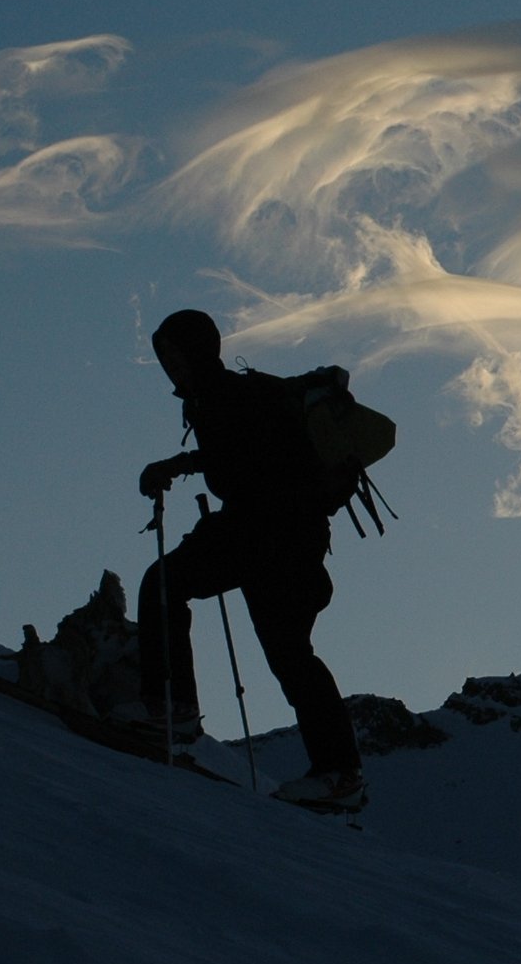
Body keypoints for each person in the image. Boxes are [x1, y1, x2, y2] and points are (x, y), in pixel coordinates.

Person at [128, 308, 365, 812]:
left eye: (174, 355)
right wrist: (183, 465)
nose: (169, 366)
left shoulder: (223, 396)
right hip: (285, 536)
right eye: (164, 358)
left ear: (197, 351)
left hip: (268, 532)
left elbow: (245, 460)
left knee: (166, 584)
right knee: (290, 654)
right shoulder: (227, 395)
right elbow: (242, 457)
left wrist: (178, 466)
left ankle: (173, 707)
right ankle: (339, 773)